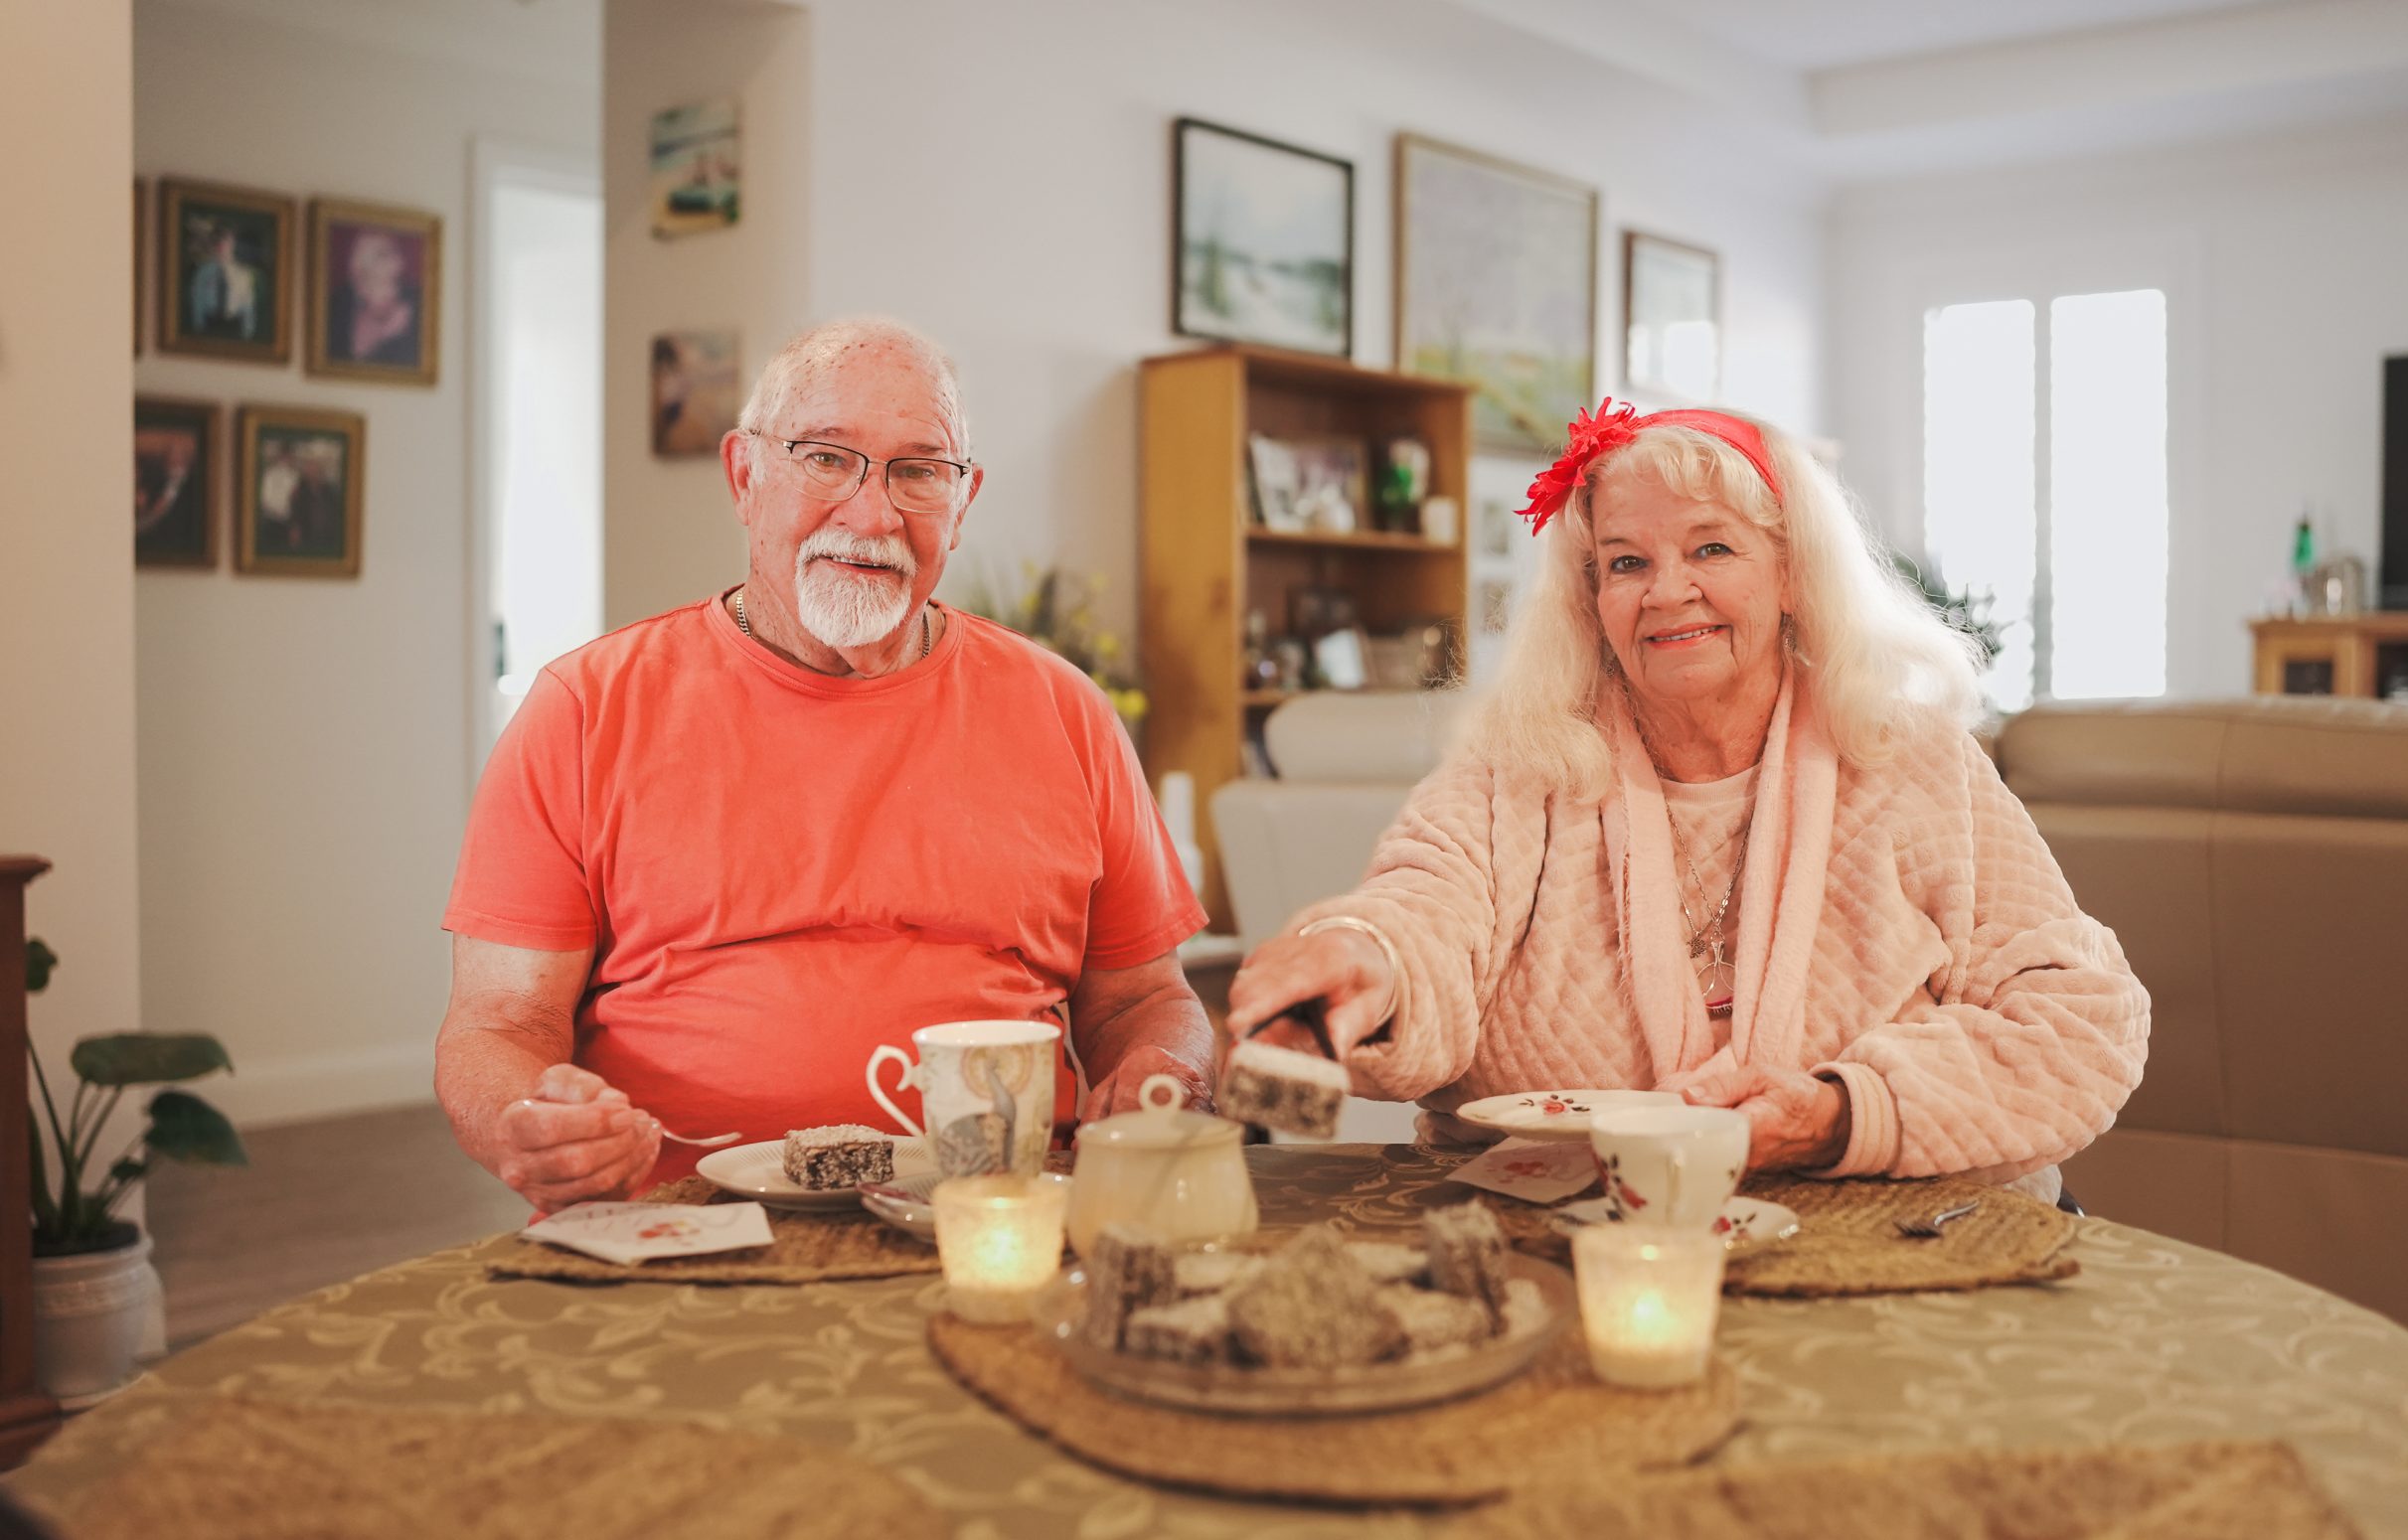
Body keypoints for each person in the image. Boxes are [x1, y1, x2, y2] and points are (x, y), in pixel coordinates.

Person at [1228, 400, 2149, 1201]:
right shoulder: (1521, 768)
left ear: (1791, 575)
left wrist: (1839, 1114)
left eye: (1712, 547)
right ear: (1591, 600)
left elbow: (2081, 1024)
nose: (1669, 591)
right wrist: (1364, 958)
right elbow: (1425, 910)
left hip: (1907, 1247)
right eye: (1626, 563)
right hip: (1572, 1247)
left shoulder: (1915, 763)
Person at [437, 318, 1214, 1212]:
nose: (872, 513)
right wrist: (527, 1120)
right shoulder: (584, 708)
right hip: (682, 1224)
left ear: (962, 503)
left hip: (993, 1218)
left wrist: (1171, 1069)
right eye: (825, 458)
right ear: (744, 475)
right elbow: (498, 1025)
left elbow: (1144, 1002)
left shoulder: (1065, 710)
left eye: (920, 471)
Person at [328, 228, 420, 368]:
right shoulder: (339, 302)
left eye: (389, 253)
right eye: (380, 255)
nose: (392, 260)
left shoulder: (417, 301)